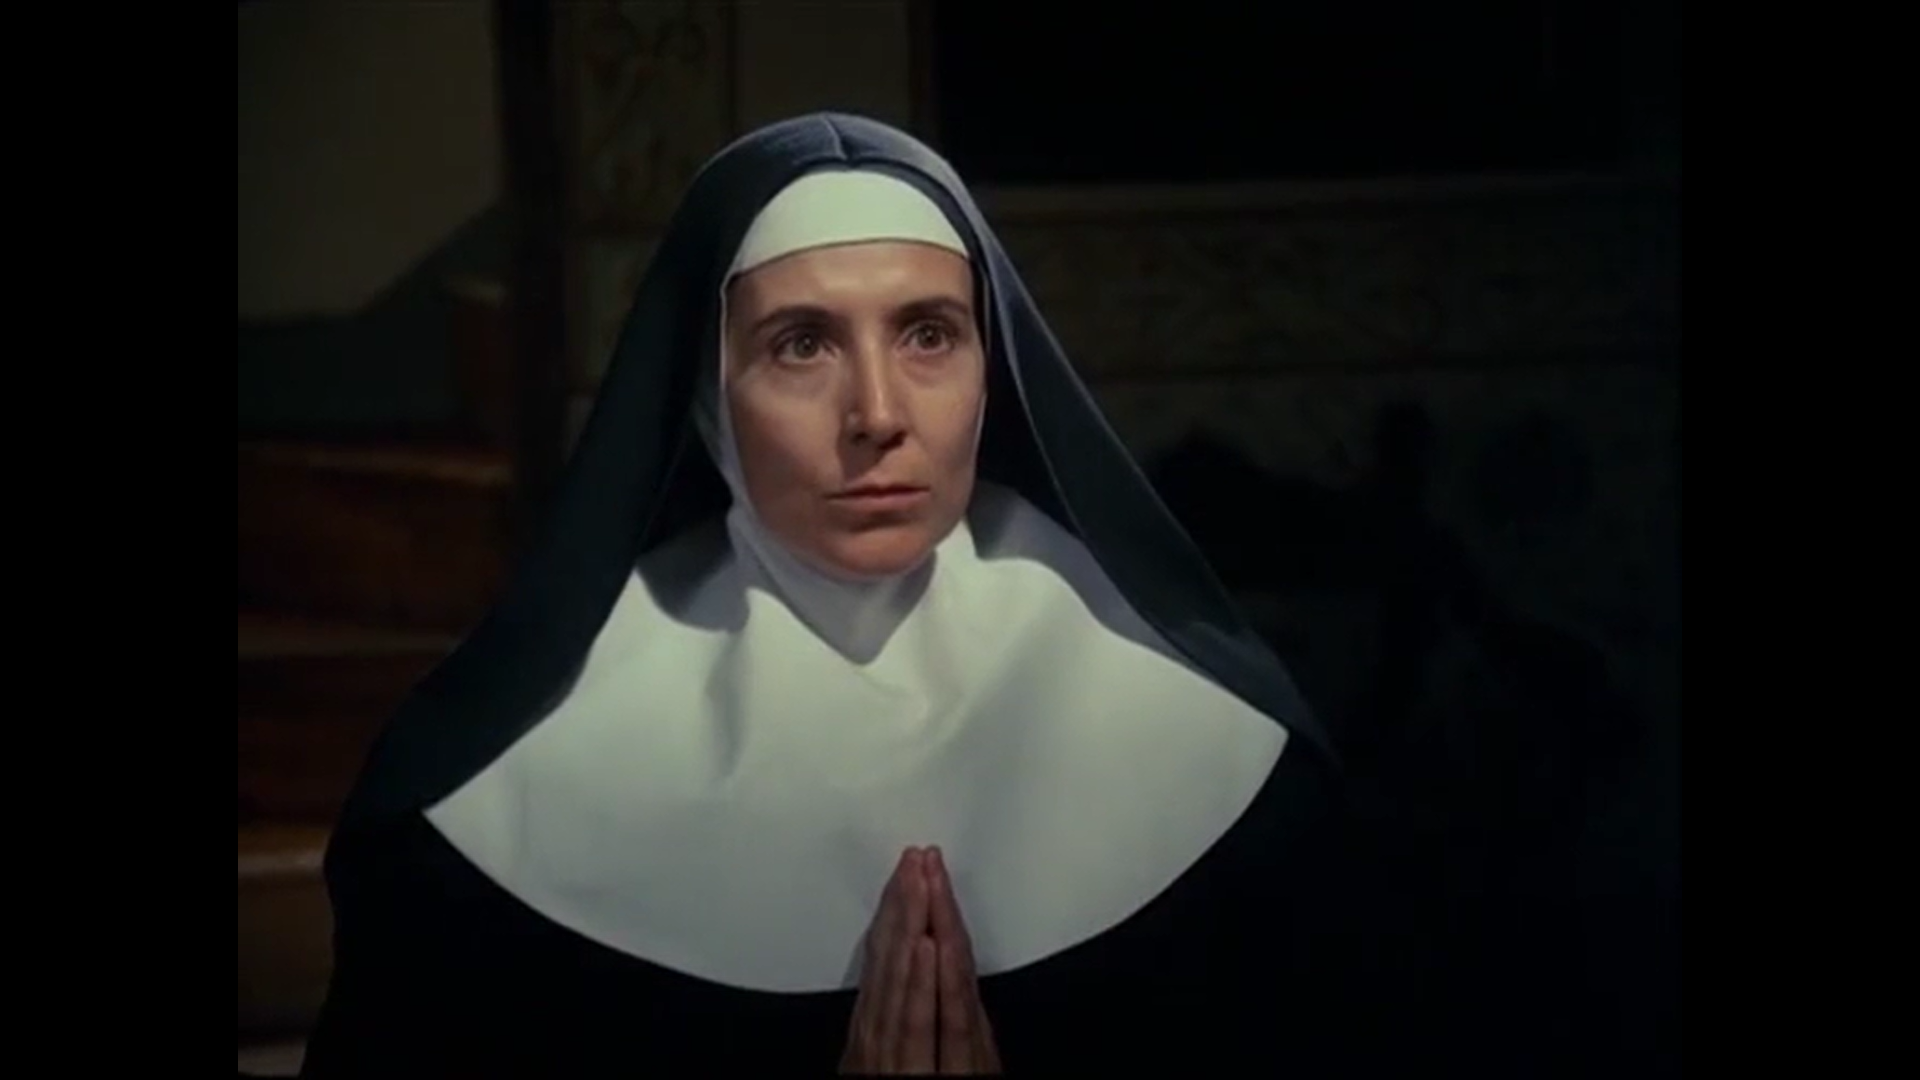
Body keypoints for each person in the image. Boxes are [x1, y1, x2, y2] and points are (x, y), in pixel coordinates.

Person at [300, 113, 1348, 1077]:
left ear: (992, 369)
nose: (878, 413)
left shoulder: (1223, 767)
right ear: (706, 396)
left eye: (928, 333)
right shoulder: (490, 822)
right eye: (801, 344)